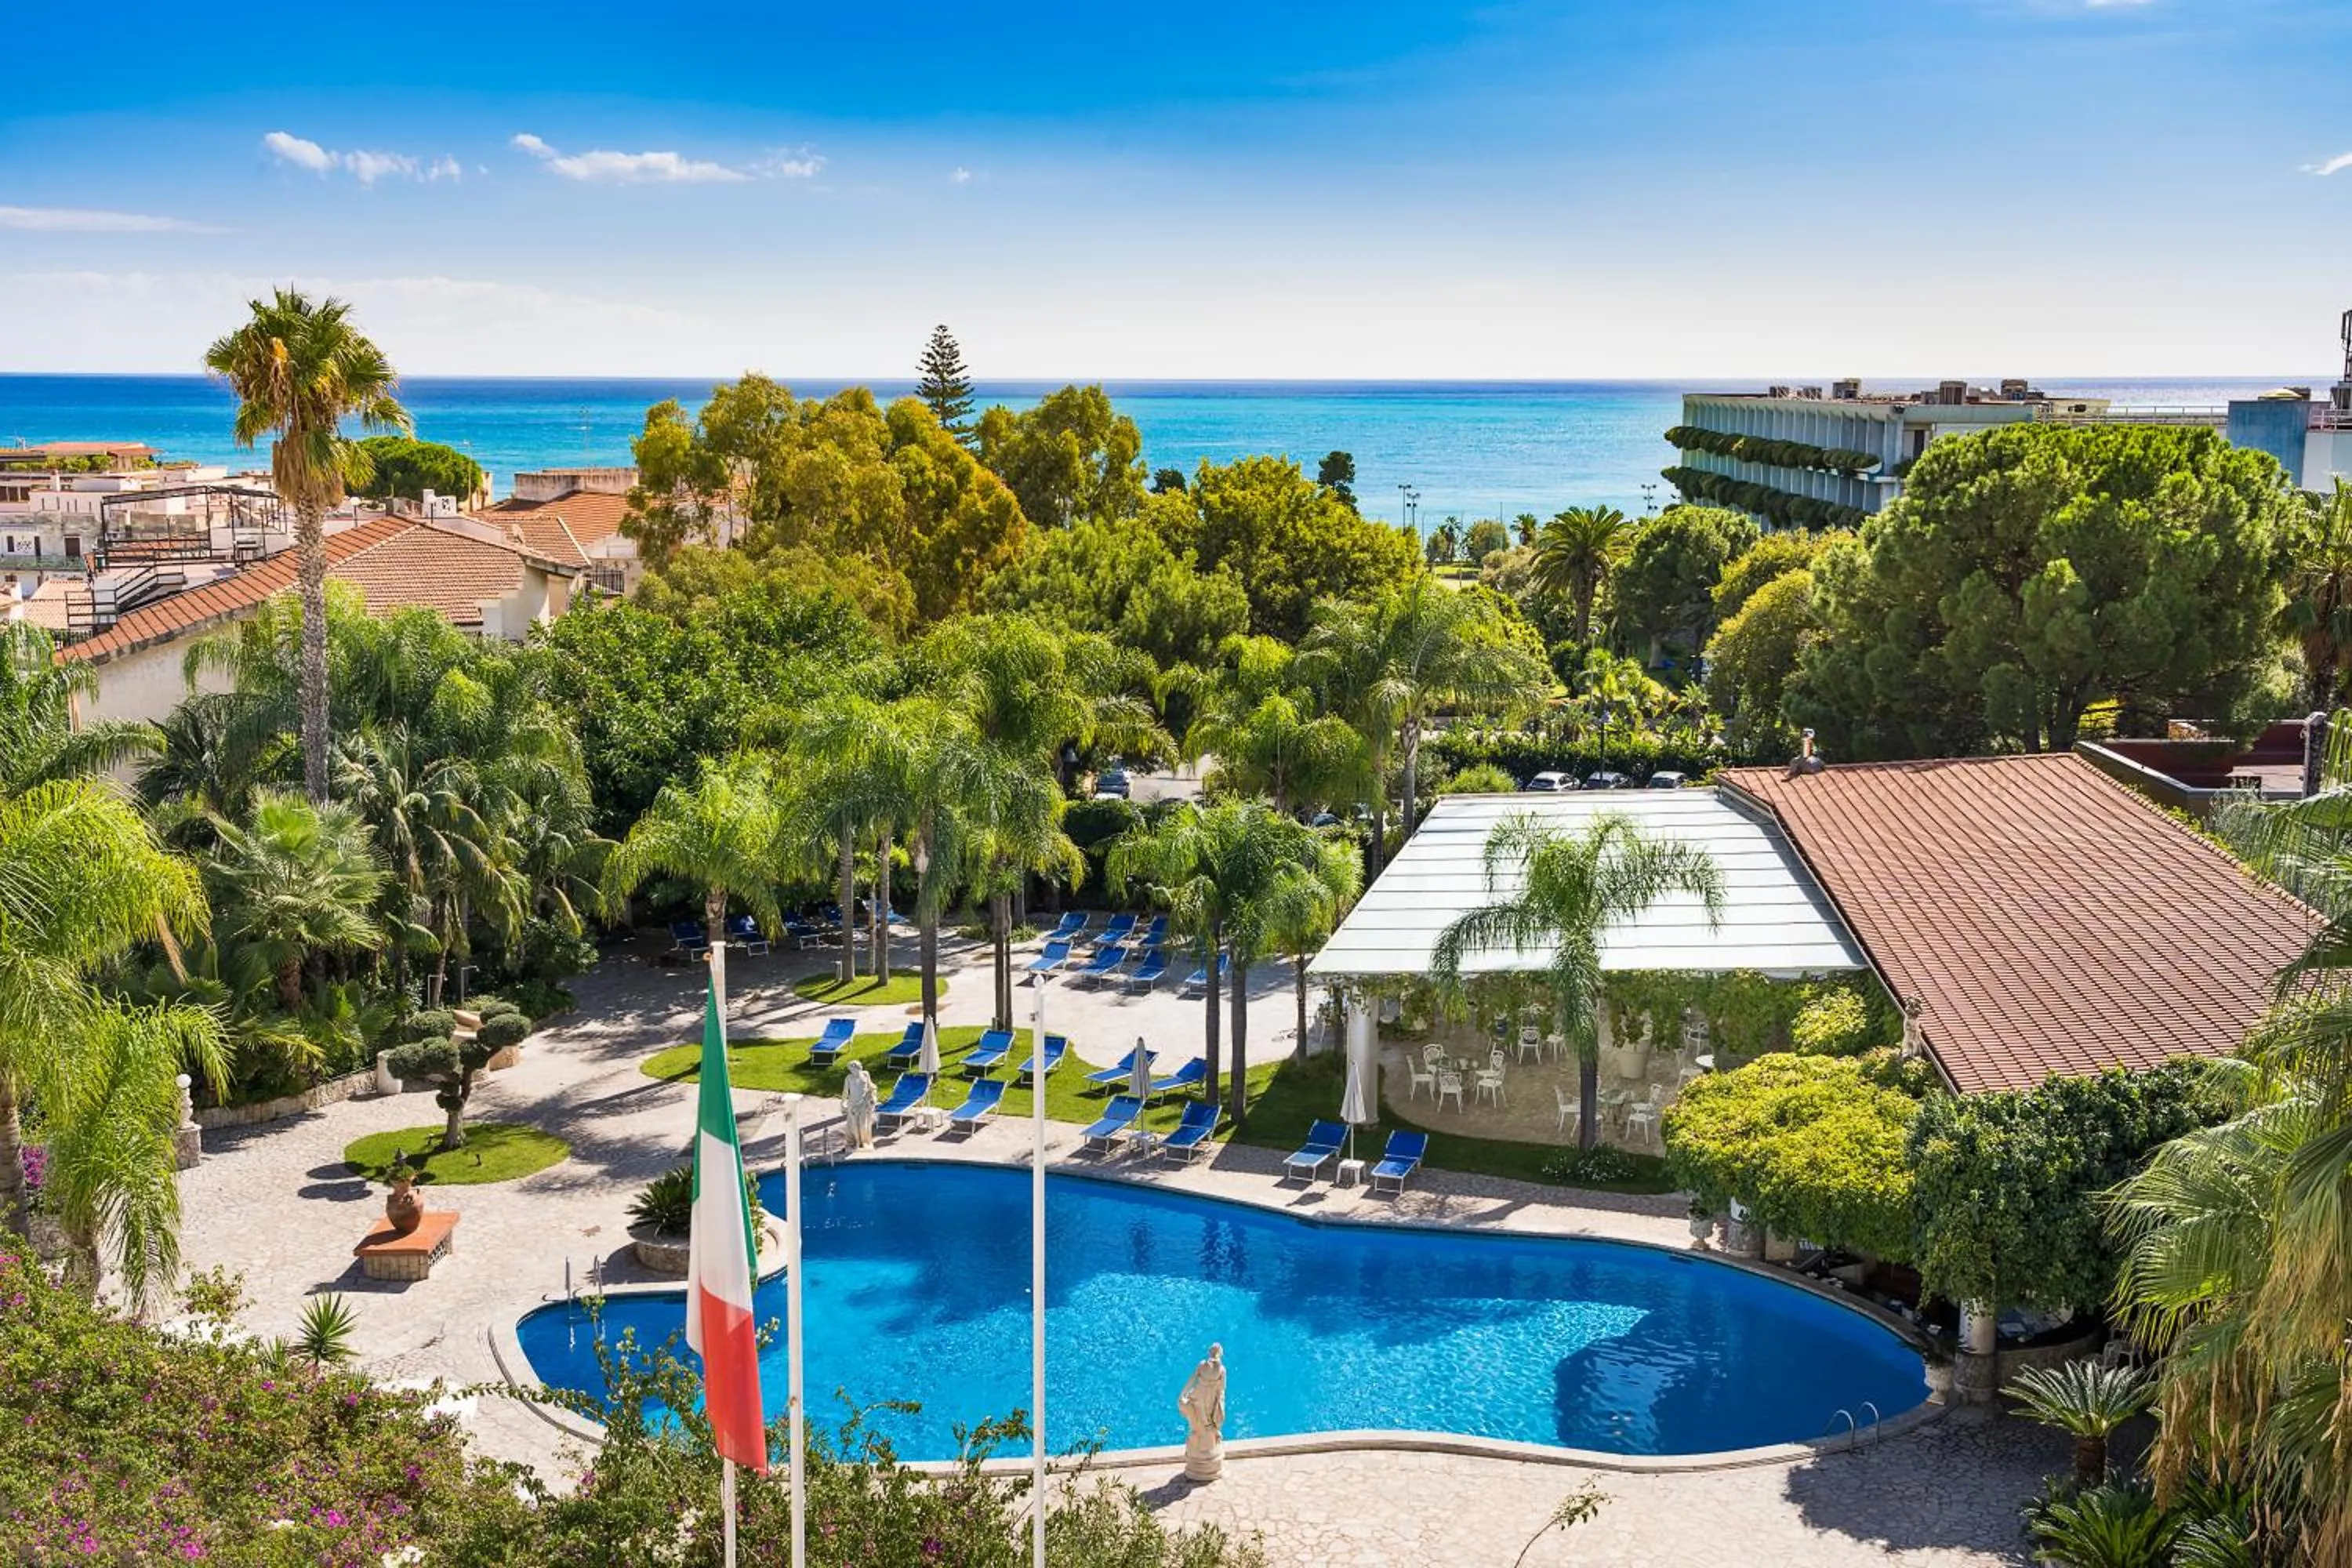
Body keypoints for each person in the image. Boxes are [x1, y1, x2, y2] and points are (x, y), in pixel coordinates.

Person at [1177, 1342, 1226, 1481]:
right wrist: (1220, 1405)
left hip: (1199, 1395)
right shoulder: (1222, 1369)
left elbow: (1192, 1380)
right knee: (1208, 1425)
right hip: (1211, 1399)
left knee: (1198, 1424)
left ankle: (1201, 1450)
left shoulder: (1203, 1365)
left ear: (1210, 1352)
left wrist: (1182, 1395)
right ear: (1220, 1353)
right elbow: (1222, 1390)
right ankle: (1209, 1450)